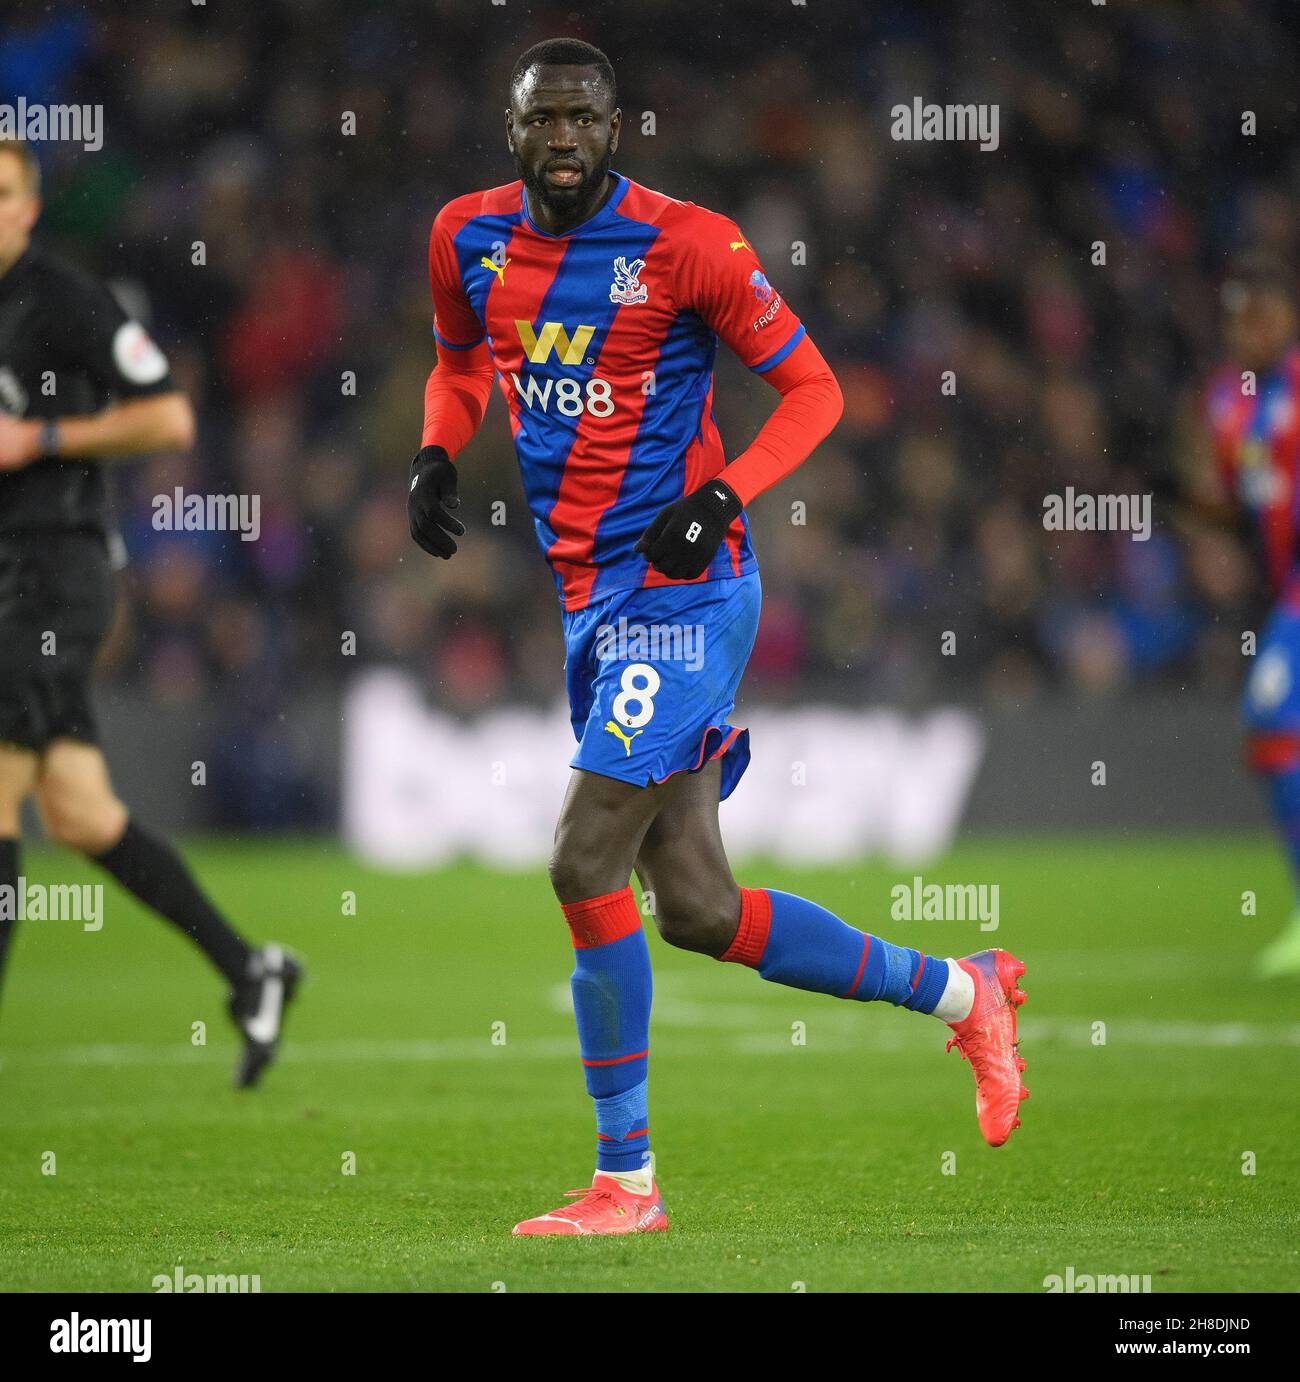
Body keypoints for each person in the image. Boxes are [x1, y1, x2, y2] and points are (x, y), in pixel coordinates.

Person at [407, 39, 1027, 1236]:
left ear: (618, 127)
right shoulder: (464, 239)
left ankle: (624, 1185)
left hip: (689, 596)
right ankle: (966, 991)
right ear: (512, 128)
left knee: (581, 858)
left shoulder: (689, 243)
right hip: (588, 599)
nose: (565, 137)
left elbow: (816, 391)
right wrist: (438, 447)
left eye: (586, 117)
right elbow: (456, 363)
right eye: (545, 119)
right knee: (692, 902)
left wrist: (724, 493)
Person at [0, 138, 300, 1087]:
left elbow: (168, 417)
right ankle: (250, 968)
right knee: (82, 815)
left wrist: (42, 436)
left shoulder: (60, 301)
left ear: (31, 208)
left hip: (52, 576)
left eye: (3, 193)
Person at [1200, 254, 1300, 976]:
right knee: (1273, 736)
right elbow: (1240, 506)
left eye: (1260, 313)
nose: (1248, 329)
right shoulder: (1230, 405)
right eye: (1239, 316)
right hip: (1284, 587)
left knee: (1272, 720)